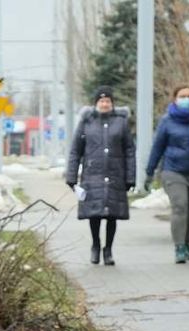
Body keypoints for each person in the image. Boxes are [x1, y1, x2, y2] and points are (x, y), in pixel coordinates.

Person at [143, 84, 189, 264]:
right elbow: (157, 147)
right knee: (180, 206)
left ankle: (188, 242)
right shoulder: (167, 121)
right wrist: (149, 172)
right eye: (182, 96)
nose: (186, 99)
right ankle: (179, 247)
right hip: (173, 171)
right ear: (175, 99)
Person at [66, 86, 137, 266]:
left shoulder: (121, 122)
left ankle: (108, 250)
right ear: (96, 103)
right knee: (94, 214)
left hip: (115, 174)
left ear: (112, 104)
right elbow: (76, 150)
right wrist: (71, 176)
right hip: (92, 174)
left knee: (112, 214)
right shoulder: (86, 122)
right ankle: (96, 245)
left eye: (108, 101)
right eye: (101, 101)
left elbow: (129, 150)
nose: (105, 104)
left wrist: (130, 177)